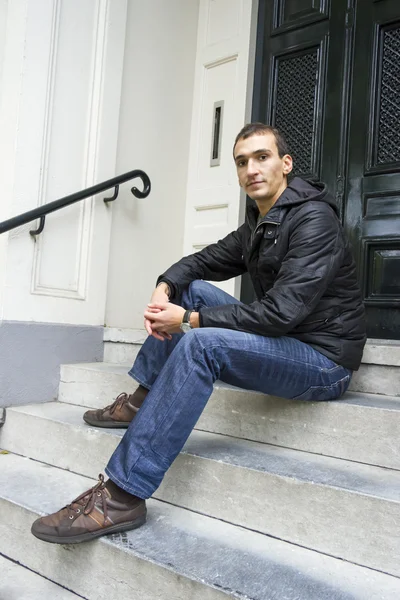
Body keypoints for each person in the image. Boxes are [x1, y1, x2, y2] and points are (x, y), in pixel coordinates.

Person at [31, 123, 366, 544]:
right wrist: (165, 286)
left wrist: (189, 321)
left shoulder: (313, 220)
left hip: (323, 360)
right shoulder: (262, 221)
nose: (251, 169)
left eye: (262, 157)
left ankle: (120, 498)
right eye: (242, 162)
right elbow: (204, 261)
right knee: (189, 289)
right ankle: (141, 404)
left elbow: (280, 314)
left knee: (201, 344)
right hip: (288, 340)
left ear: (286, 164)